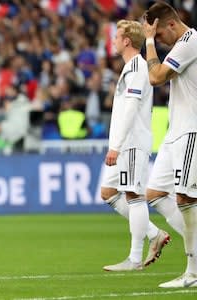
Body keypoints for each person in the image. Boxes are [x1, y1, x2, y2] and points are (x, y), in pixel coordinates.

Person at [100, 20, 175, 272]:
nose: (113, 41)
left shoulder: (137, 69)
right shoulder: (130, 67)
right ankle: (154, 234)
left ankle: (134, 259)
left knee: (133, 195)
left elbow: (131, 109)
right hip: (124, 143)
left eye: (116, 36)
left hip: (131, 143)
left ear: (126, 41)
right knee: (108, 192)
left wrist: (117, 146)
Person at [143, 1, 197, 288]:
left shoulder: (191, 41)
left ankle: (193, 271)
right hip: (174, 131)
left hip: (191, 130)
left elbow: (156, 77)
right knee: (154, 193)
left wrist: (149, 41)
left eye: (160, 34)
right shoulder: (180, 47)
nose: (159, 41)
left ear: (172, 24)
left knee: (186, 199)